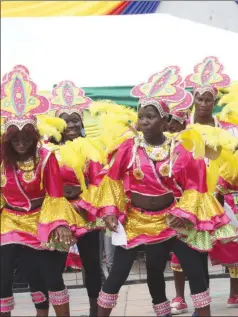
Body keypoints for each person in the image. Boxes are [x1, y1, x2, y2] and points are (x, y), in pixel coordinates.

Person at [78, 65, 237, 317]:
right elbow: (111, 181)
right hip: (135, 221)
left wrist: (183, 213)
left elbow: (196, 185)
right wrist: (110, 210)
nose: (144, 121)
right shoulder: (128, 148)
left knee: (194, 270)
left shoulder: (181, 148)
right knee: (118, 275)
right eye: (141, 116)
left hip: (173, 219)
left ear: (165, 121)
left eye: (150, 116)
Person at [0, 68, 90, 316]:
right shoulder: (2, 156)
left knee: (49, 276)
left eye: (26, 139)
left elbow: (54, 193)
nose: (21, 144)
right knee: (3, 275)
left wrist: (59, 223)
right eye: (15, 139)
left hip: (42, 217)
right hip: (9, 220)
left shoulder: (47, 156)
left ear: (34, 136)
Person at [170, 56, 238, 314]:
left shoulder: (228, 130)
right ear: (193, 100)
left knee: (229, 245)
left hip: (221, 198)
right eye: (199, 98)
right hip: (190, 200)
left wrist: (221, 189)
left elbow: (230, 163)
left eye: (208, 99)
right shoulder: (182, 130)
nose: (204, 103)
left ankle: (230, 295)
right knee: (187, 249)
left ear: (214, 102)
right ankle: (186, 298)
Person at [43, 80, 106, 316]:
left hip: (85, 212)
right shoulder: (47, 151)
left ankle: (94, 311)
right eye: (65, 119)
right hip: (58, 214)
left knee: (92, 265)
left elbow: (98, 181)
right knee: (54, 266)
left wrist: (84, 206)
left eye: (75, 119)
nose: (71, 123)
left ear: (82, 123)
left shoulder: (90, 148)